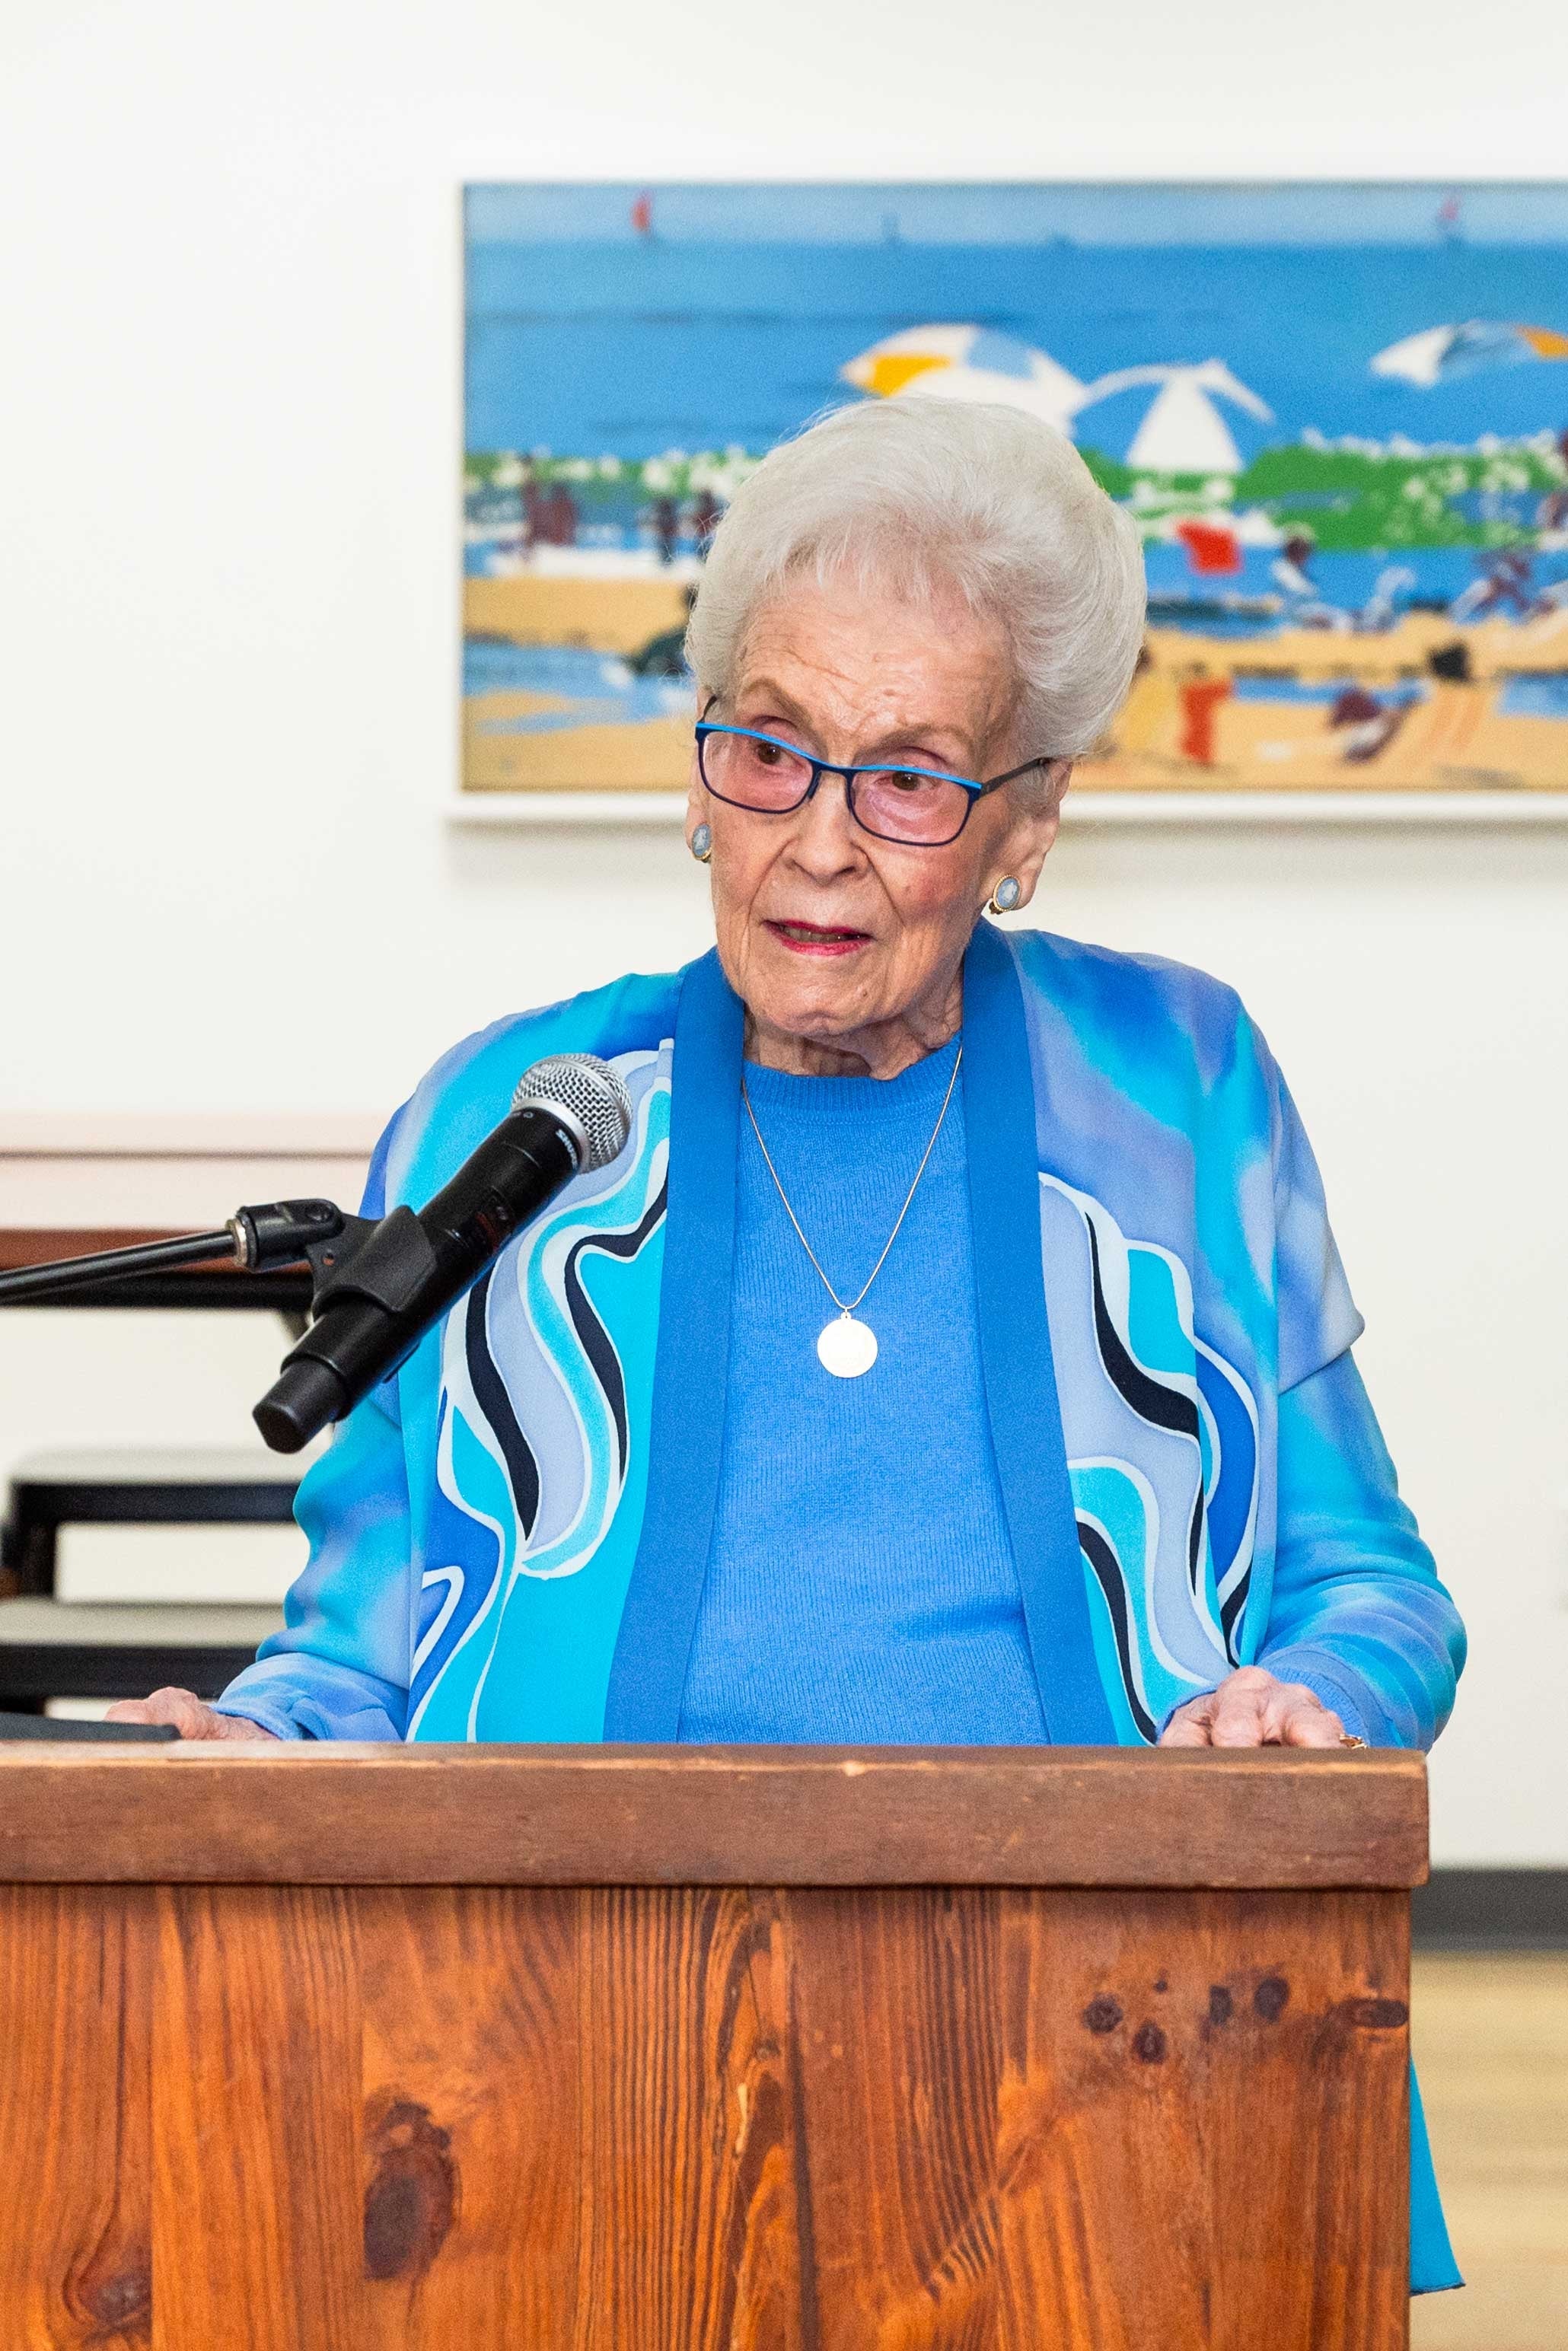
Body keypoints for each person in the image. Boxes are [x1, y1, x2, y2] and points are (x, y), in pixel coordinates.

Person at [112, 397, 1464, 2292]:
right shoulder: (512, 1118)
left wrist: (1306, 1702)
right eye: (770, 749)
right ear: (696, 769)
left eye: (909, 778)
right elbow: (365, 1642)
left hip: (1111, 2040)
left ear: (1026, 823)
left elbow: (1372, 1586)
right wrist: (242, 1743)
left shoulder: (1177, 1084)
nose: (818, 843)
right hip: (558, 2044)